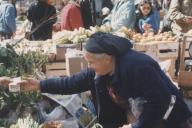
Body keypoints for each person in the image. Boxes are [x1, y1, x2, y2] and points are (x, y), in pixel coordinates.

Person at [1, 32, 192, 128]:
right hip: (140, 115)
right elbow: (72, 82)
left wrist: (136, 127)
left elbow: (160, 101)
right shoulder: (100, 70)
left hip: (169, 119)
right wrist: (39, 84)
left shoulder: (137, 66)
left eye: (91, 61)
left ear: (107, 57)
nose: (89, 66)